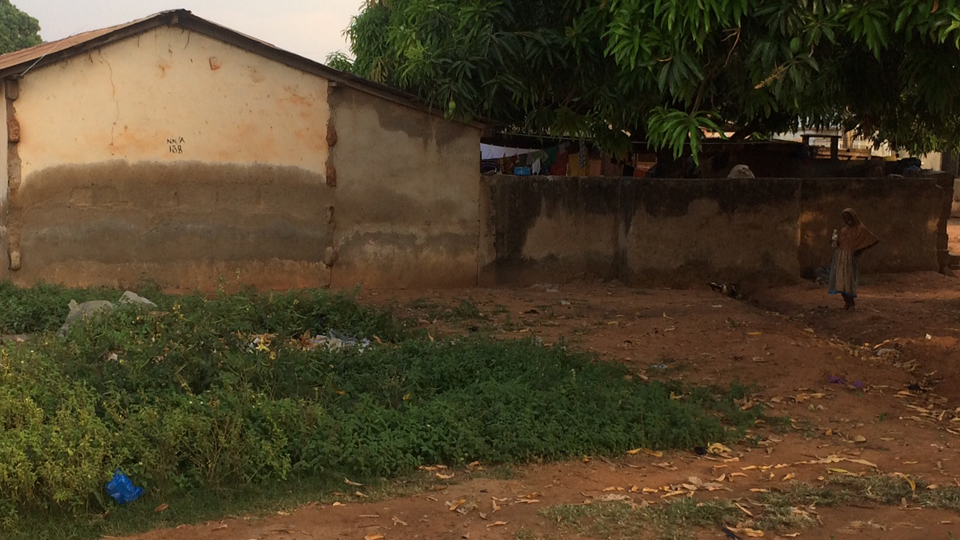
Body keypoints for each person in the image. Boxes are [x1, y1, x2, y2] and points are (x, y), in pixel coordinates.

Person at [828, 208, 879, 310]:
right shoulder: (844, 230)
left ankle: (851, 303)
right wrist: (835, 242)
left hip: (850, 258)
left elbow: (873, 240)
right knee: (841, 281)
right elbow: (841, 243)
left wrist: (860, 251)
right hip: (840, 257)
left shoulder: (860, 229)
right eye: (845, 218)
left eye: (849, 217)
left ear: (854, 217)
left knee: (849, 280)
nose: (847, 220)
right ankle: (846, 303)